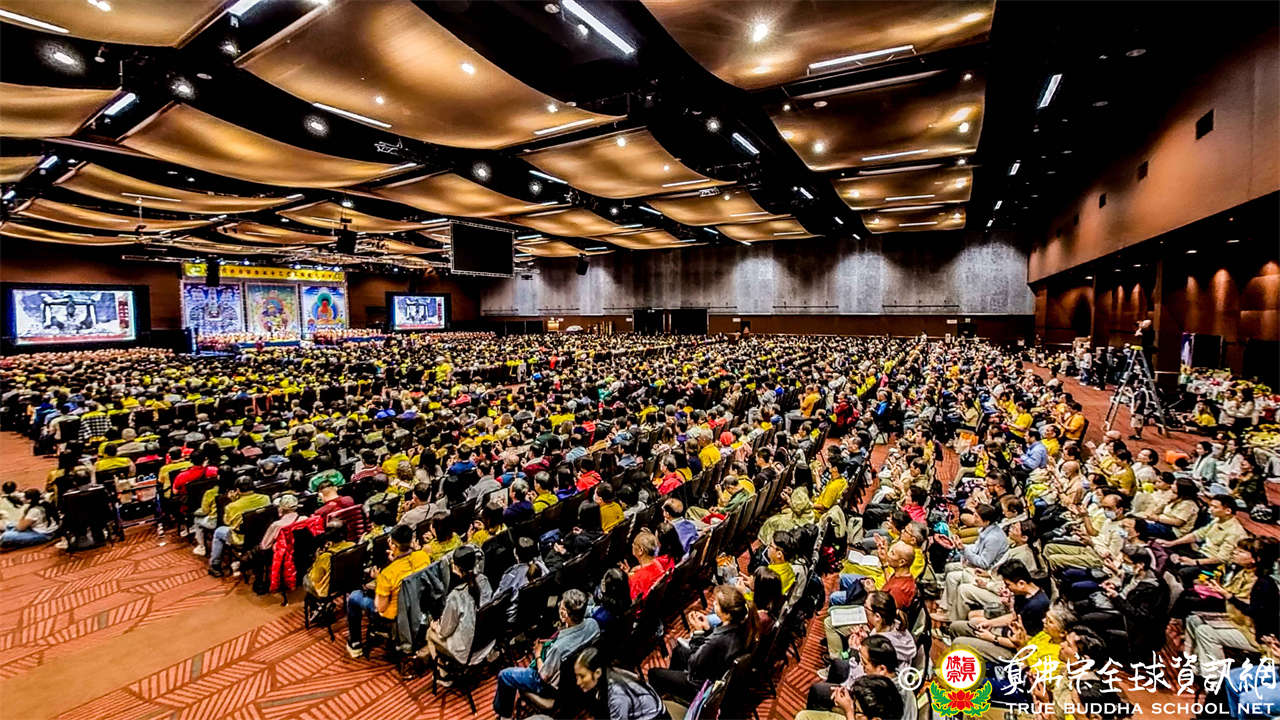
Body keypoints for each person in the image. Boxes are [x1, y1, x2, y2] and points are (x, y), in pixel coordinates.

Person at [493, 588, 600, 720]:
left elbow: (544, 676)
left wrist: (538, 654)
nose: (559, 604)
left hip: (551, 687)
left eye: (561, 604)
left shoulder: (558, 649)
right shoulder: (594, 625)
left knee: (505, 676)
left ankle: (505, 717)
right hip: (576, 679)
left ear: (564, 614)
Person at [648, 583, 754, 705]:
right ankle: (672, 690)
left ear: (727, 614)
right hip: (716, 667)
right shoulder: (741, 625)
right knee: (678, 651)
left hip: (701, 685)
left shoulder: (716, 641)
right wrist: (707, 629)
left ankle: (663, 703)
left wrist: (697, 632)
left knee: (653, 673)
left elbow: (693, 664)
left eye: (717, 604)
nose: (714, 604)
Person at [345, 524, 429, 658]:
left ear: (393, 546)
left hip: (393, 616)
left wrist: (378, 581)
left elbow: (380, 608)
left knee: (354, 597)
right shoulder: (423, 556)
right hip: (418, 606)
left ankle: (355, 643)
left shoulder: (387, 574)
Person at [423, 544, 493, 680]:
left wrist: (436, 627)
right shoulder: (484, 581)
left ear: (455, 567)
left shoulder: (456, 596)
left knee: (430, 633)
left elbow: (445, 632)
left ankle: (444, 674)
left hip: (467, 651)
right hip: (487, 643)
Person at [575, 646, 668, 720]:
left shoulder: (616, 695)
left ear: (597, 673)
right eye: (576, 676)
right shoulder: (610, 671)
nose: (578, 682)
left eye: (582, 676)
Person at [208, 476, 269, 577]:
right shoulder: (265, 498)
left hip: (242, 539)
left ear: (237, 490)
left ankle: (215, 565)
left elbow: (227, 522)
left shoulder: (232, 506)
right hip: (262, 534)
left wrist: (232, 501)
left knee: (218, 531)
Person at [628, 530, 666, 600]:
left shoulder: (636, 580)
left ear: (640, 550)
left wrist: (627, 578)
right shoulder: (659, 562)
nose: (632, 545)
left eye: (634, 543)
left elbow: (633, 600)